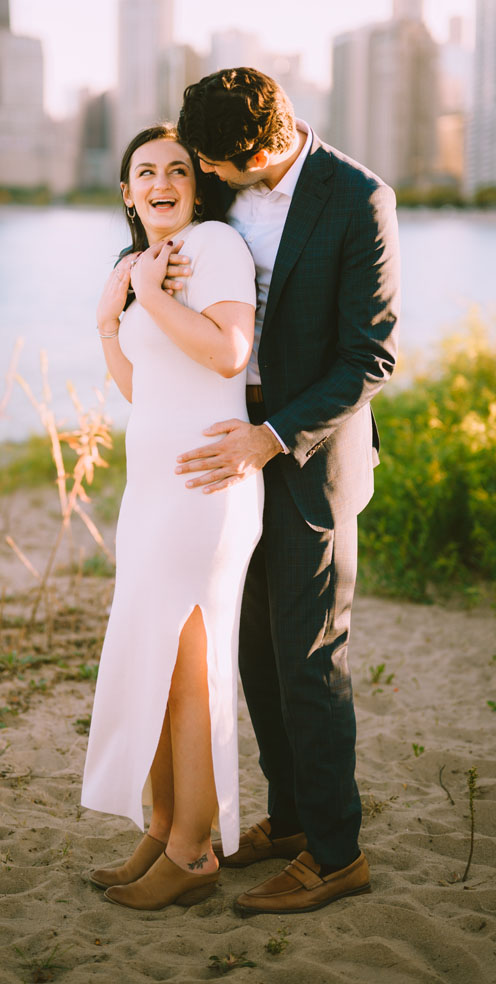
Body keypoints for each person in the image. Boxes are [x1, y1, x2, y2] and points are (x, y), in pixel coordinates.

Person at [175, 67, 400, 915]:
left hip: (304, 460)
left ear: (265, 146)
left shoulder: (359, 198)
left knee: (310, 662)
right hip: (231, 450)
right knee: (255, 656)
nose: (207, 177)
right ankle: (294, 820)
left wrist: (272, 438)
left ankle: (338, 855)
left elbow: (369, 357)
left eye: (218, 165)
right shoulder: (223, 191)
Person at [81, 124, 264, 911]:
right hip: (150, 491)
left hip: (204, 490)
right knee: (153, 659)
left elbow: (228, 353)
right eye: (144, 171)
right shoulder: (139, 265)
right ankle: (161, 829)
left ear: (197, 185)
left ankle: (194, 852)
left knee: (191, 674)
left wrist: (151, 297)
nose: (161, 181)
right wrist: (109, 320)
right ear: (126, 191)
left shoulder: (215, 244)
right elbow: (144, 389)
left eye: (177, 170)